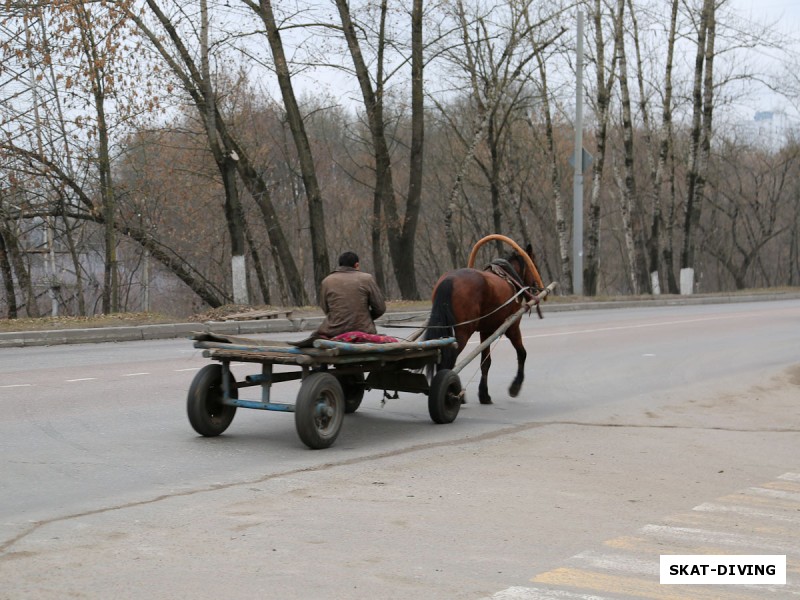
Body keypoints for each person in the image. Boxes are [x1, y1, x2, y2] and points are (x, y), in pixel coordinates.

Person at [315, 251, 386, 339]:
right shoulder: (367, 279)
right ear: (356, 265)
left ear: (340, 265)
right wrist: (365, 318)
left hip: (333, 332)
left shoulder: (327, 281)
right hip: (363, 330)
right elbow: (380, 308)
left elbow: (326, 308)